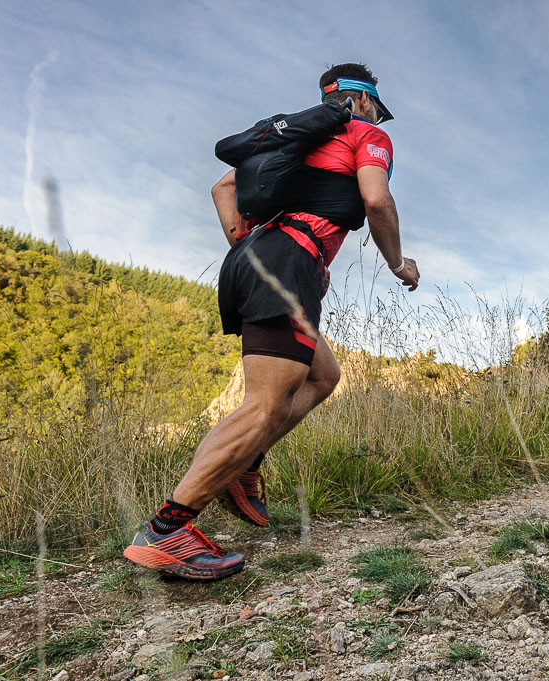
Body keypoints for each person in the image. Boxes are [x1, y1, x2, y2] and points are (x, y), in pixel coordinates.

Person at [123, 63, 419, 580]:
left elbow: (222, 189)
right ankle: (168, 529)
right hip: (289, 261)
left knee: (323, 376)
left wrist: (251, 248)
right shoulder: (364, 132)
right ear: (363, 99)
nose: (378, 115)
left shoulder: (283, 141)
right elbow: (376, 199)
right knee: (264, 403)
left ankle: (244, 467)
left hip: (249, 259)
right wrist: (399, 263)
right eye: (376, 105)